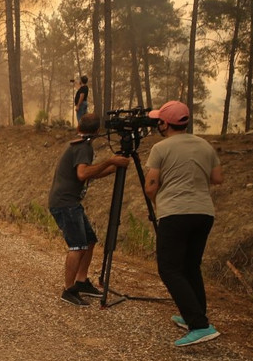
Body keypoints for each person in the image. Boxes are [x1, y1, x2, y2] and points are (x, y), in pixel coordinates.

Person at [145, 101, 224, 347]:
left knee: (169, 269)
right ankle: (195, 315)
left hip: (175, 213)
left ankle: (200, 326)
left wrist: (156, 194)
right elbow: (217, 178)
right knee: (191, 266)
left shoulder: (160, 148)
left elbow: (151, 186)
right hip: (204, 213)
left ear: (165, 124)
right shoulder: (205, 145)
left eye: (160, 120)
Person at [48, 113, 130, 306]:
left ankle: (81, 281)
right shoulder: (83, 146)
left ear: (79, 127)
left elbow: (85, 175)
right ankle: (68, 290)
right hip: (65, 203)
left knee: (90, 240)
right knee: (77, 245)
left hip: (68, 202)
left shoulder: (78, 143)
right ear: (97, 131)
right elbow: (83, 173)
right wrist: (110, 162)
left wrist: (112, 169)